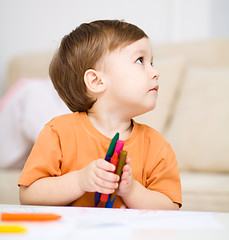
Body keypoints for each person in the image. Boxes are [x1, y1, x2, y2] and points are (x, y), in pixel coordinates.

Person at [18, 20, 182, 209]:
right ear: (96, 81)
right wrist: (79, 181)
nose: (155, 72)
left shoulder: (157, 146)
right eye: (140, 60)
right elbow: (28, 194)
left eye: (151, 62)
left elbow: (171, 208)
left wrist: (132, 191)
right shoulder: (58, 132)